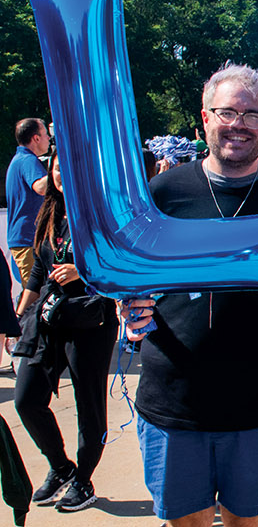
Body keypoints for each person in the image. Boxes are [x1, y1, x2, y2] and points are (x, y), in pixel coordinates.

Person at [125, 63, 258, 527]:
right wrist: (127, 306)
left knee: (246, 521)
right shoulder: (162, 192)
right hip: (173, 397)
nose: (239, 124)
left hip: (257, 397)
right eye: (227, 111)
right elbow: (133, 276)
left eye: (253, 115)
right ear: (206, 117)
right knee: (185, 522)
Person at [13, 149, 119, 512]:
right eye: (58, 168)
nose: (63, 175)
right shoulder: (50, 212)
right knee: (26, 399)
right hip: (48, 321)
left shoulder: (101, 213)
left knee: (90, 408)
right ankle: (61, 468)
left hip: (90, 321)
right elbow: (38, 273)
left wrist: (82, 271)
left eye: (71, 170)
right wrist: (19, 314)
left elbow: (121, 268)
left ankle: (84, 481)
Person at [6, 119, 52, 355]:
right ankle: (24, 347)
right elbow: (41, 187)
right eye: (45, 135)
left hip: (24, 240)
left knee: (31, 294)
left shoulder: (20, 160)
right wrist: (60, 166)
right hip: (27, 241)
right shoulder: (27, 161)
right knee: (33, 296)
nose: (48, 139)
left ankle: (24, 342)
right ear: (35, 138)